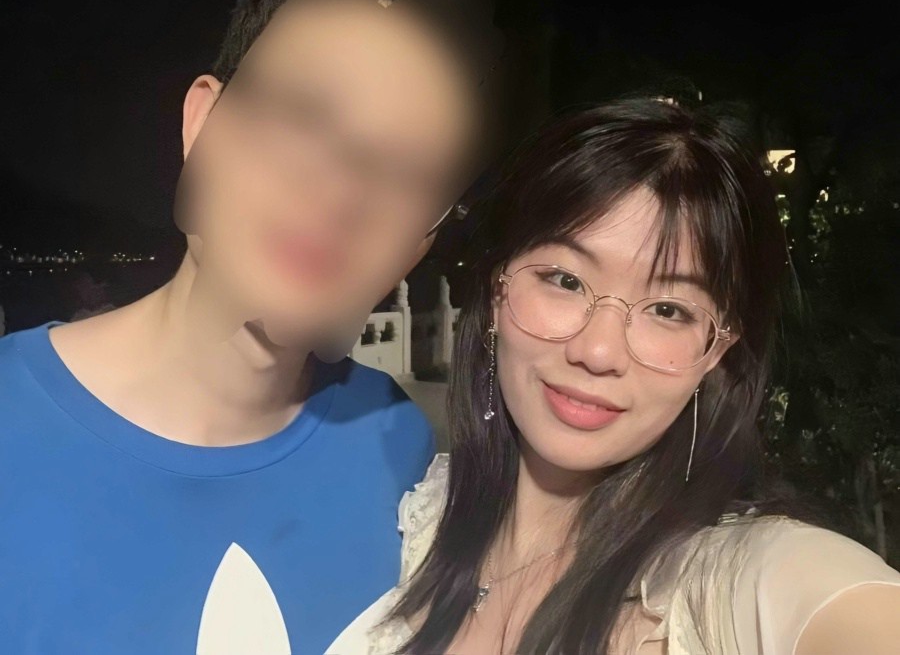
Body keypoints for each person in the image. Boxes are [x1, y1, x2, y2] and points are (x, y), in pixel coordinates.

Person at [0, 0, 501, 653]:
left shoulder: (396, 447)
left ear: (419, 244)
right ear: (202, 124)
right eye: (304, 114)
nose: (340, 191)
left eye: (404, 168)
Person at [329, 98, 900, 654]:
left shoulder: (727, 585)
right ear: (497, 290)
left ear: (717, 350)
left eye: (668, 310)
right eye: (565, 280)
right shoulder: (415, 515)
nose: (599, 351)